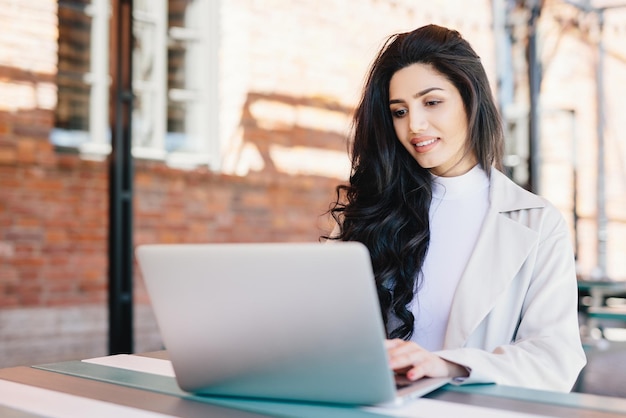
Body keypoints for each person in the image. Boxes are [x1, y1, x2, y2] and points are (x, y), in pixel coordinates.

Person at [324, 24, 586, 392]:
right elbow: (320, 332)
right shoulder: (368, 212)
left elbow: (554, 359)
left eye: (432, 102)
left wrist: (445, 365)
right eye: (399, 111)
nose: (414, 125)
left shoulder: (537, 223)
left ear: (470, 99)